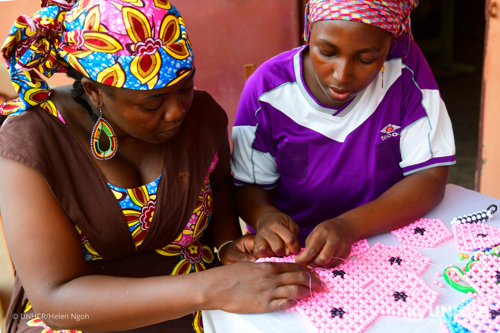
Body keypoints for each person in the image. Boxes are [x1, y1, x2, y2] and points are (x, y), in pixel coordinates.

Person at [0, 1, 326, 332]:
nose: (176, 112)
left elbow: (221, 185)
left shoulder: (201, 115)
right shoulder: (33, 140)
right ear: (95, 92)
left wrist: (227, 246)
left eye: (184, 87)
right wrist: (210, 289)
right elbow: (55, 299)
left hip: (203, 294)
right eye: (152, 102)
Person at [232, 0, 456, 268]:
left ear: (390, 45)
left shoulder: (405, 73)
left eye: (366, 59)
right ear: (308, 32)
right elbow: (248, 186)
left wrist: (349, 226)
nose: (342, 75)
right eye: (326, 52)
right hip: (293, 251)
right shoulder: (267, 89)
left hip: (385, 241)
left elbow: (430, 177)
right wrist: (266, 217)